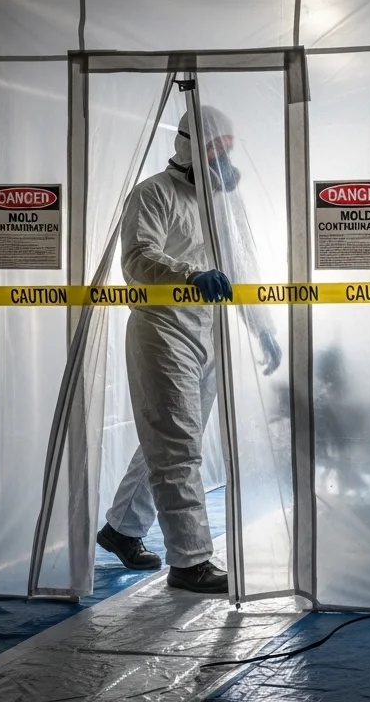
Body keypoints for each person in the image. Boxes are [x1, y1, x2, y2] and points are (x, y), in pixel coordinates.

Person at [96, 105, 282, 594]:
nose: (224, 154)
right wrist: (187, 276)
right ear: (187, 145)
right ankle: (191, 561)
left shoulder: (224, 200)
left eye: (228, 145)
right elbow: (137, 259)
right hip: (163, 332)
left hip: (208, 334)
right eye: (215, 146)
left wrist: (261, 326)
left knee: (174, 439)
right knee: (176, 445)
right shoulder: (152, 194)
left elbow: (243, 265)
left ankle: (121, 529)